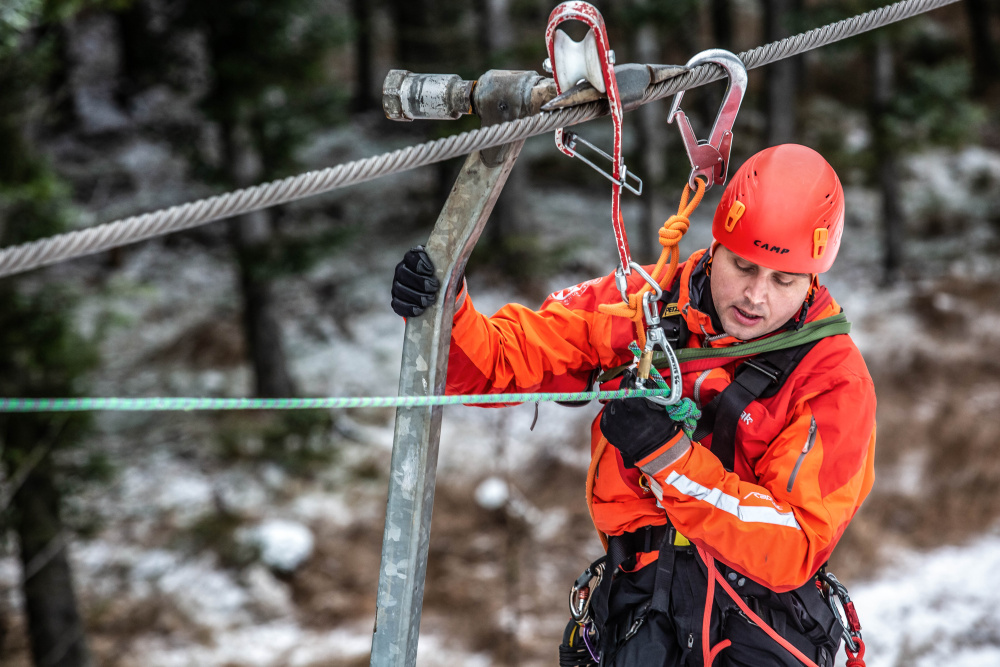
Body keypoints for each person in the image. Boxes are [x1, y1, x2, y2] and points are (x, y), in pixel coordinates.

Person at [391, 144, 876, 667]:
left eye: (783, 280)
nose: (755, 296)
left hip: (760, 625)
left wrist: (667, 457)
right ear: (717, 245)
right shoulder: (645, 302)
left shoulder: (832, 379)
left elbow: (795, 543)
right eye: (742, 266)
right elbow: (502, 362)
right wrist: (447, 312)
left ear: (812, 281)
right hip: (639, 614)